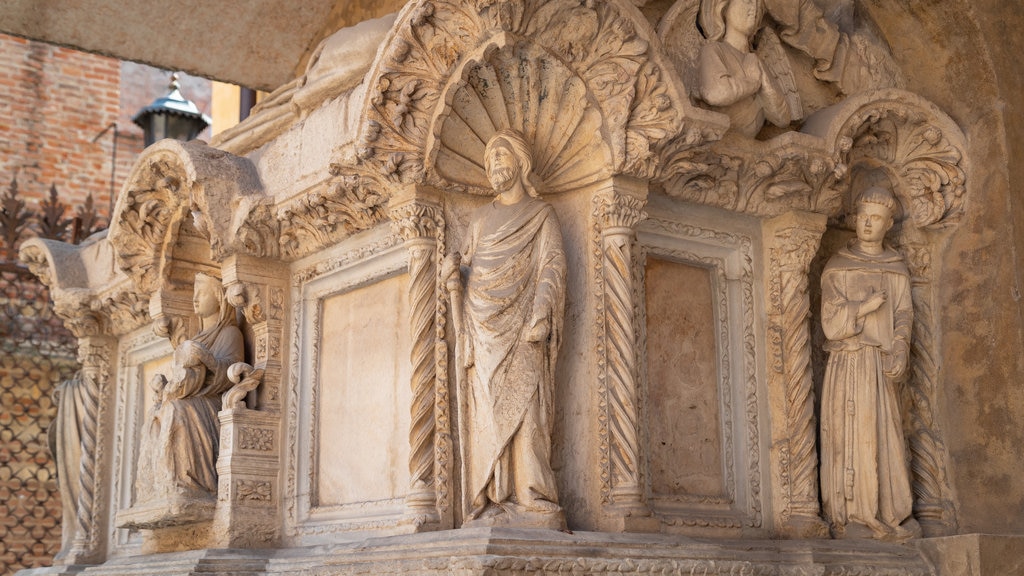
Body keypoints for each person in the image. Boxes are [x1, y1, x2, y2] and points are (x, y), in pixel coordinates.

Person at [442, 129, 566, 527]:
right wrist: (453, 274)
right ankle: (493, 497)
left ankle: (532, 495)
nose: (494, 164)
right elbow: (471, 265)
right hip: (483, 330)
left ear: (521, 161)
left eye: (502, 156)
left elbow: (552, 265)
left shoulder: (541, 215)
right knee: (488, 418)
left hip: (524, 326)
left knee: (528, 414)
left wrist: (543, 310)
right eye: (490, 158)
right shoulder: (479, 219)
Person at [819, 187, 918, 541]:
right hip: (848, 363)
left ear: (889, 224)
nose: (867, 223)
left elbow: (905, 313)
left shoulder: (896, 269)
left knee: (883, 432)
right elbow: (829, 319)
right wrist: (862, 308)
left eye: (875, 218)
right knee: (850, 434)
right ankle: (852, 514)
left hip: (880, 363)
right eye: (863, 216)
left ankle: (889, 512)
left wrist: (900, 348)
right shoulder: (837, 266)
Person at [135, 272, 244, 510]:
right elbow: (185, 377)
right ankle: (162, 484)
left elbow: (230, 374)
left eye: (202, 293)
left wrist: (206, 358)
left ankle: (191, 483)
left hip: (213, 402)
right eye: (194, 293)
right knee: (156, 413)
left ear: (219, 299)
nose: (195, 299)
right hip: (193, 398)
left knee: (176, 409)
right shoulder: (198, 337)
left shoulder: (230, 334)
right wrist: (164, 386)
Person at [698, 0, 792, 137]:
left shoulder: (757, 62)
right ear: (724, 8)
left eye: (757, 6)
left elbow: (783, 119)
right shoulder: (713, 50)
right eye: (747, 2)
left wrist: (765, 85)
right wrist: (753, 84)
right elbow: (716, 93)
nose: (753, 9)